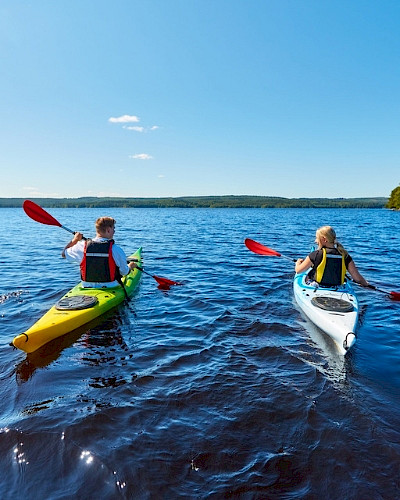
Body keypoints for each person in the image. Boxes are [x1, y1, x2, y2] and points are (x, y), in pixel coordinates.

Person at [61, 216, 137, 288]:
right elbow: (124, 272)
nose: (114, 231)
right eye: (113, 228)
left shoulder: (82, 246)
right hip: (111, 286)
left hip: (86, 286)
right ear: (108, 230)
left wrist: (75, 240)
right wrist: (130, 266)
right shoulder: (116, 249)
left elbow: (64, 254)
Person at [295, 225, 369, 287]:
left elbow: (298, 271)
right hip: (338, 288)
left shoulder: (315, 254)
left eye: (317, 238)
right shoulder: (344, 255)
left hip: (317, 286)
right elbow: (357, 278)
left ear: (324, 239)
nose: (315, 241)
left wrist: (298, 263)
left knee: (308, 275)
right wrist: (366, 284)